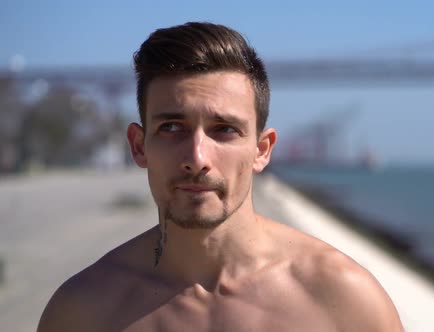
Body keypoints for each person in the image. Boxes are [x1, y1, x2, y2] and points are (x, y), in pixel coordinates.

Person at [38, 22, 404, 332]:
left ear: (262, 150)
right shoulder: (82, 312)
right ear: (138, 146)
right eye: (171, 127)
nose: (197, 158)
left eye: (224, 129)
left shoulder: (344, 302)